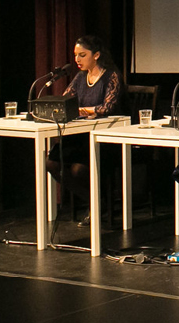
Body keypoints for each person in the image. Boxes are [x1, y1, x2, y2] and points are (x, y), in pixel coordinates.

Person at [44, 35, 122, 225]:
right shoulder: (80, 77)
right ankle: (95, 201)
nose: (77, 59)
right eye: (76, 55)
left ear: (96, 55)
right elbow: (65, 101)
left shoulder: (111, 76)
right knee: (51, 163)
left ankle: (97, 203)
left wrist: (83, 109)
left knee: (78, 169)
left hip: (104, 138)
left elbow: (107, 108)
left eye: (82, 55)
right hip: (80, 136)